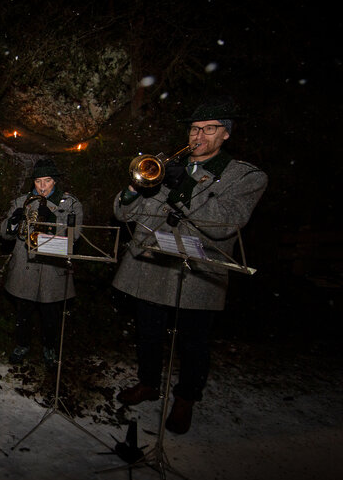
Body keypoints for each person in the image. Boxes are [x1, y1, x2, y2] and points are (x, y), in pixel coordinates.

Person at [112, 99, 268, 434]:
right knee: (148, 332)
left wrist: (183, 189)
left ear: (225, 134)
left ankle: (186, 398)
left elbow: (227, 221)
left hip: (198, 268)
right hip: (151, 262)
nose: (199, 135)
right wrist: (133, 190)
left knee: (194, 341)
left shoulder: (244, 175)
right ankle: (149, 383)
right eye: (195, 128)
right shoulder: (167, 166)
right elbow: (124, 214)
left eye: (209, 128)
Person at [0, 158, 83, 368]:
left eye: (47, 181)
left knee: (51, 315)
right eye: (38, 181)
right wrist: (12, 224)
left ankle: (49, 348)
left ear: (54, 181)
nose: (43, 186)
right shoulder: (22, 201)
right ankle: (22, 344)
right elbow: (5, 234)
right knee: (23, 312)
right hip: (25, 265)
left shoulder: (71, 203)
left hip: (52, 268)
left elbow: (74, 237)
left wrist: (52, 222)